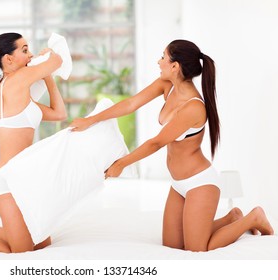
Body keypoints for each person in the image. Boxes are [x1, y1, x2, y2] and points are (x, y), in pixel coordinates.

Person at [70, 39, 274, 251]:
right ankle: (231, 217)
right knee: (172, 245)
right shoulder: (167, 86)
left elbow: (157, 142)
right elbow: (131, 103)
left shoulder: (193, 107)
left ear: (175, 66)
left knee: (196, 248)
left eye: (163, 57)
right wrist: (91, 120)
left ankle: (252, 218)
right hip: (179, 184)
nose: (159, 62)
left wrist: (121, 163)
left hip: (200, 184)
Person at [0, 33, 130, 253]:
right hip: (7, 183)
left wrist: (48, 77)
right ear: (8, 60)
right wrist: (49, 56)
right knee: (22, 250)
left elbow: (59, 113)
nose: (30, 55)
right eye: (25, 50)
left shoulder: (23, 97)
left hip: (25, 182)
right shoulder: (14, 81)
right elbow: (57, 61)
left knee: (42, 243)